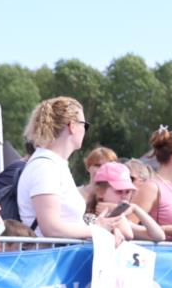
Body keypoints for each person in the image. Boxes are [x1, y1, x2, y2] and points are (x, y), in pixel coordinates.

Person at [17, 97, 125, 241]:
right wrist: (97, 230)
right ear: (72, 126)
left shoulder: (53, 164)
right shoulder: (46, 167)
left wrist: (100, 229)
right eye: (84, 125)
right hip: (51, 259)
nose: (85, 131)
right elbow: (51, 228)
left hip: (57, 257)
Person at [85, 162, 165, 242]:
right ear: (100, 192)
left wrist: (135, 208)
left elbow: (159, 236)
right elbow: (128, 234)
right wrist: (117, 210)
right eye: (119, 191)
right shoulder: (90, 217)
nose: (124, 196)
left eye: (128, 192)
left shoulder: (119, 219)